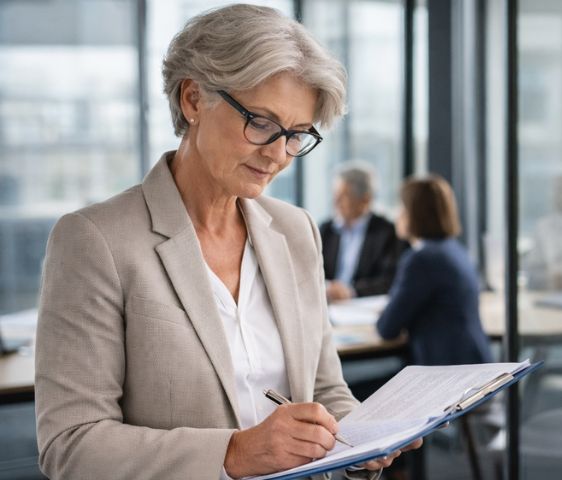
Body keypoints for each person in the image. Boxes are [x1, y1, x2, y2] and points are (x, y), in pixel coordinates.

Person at [34, 5, 418, 479]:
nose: (279, 154)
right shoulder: (96, 241)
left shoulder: (296, 231)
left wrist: (362, 438)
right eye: (261, 122)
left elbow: (323, 391)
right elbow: (70, 446)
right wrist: (234, 453)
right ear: (193, 99)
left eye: (297, 135)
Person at [376, 175, 493, 366]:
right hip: (472, 362)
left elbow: (387, 328)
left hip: (447, 374)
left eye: (402, 208)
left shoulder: (421, 260)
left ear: (414, 214)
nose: (397, 215)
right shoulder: (454, 250)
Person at [319, 164, 403, 302]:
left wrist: (350, 291)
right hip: (327, 303)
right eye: (335, 195)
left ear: (365, 200)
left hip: (362, 305)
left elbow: (389, 280)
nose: (336, 202)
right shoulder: (326, 229)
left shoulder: (387, 232)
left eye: (343, 196)